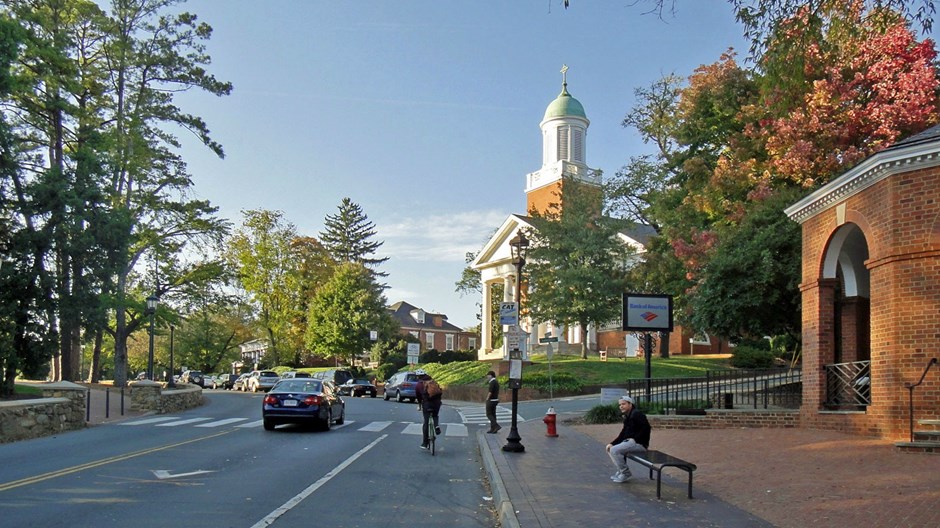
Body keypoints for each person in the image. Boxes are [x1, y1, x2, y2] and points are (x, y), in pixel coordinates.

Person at [605, 395, 651, 483]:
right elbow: (623, 433)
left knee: (615, 450)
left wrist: (635, 439)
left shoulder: (637, 414)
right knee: (610, 448)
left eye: (623, 404)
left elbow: (646, 429)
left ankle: (625, 473)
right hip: (630, 442)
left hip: (639, 444)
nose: (621, 406)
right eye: (620, 405)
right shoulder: (627, 416)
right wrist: (612, 443)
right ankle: (620, 470)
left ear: (630, 404)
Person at [414, 369, 442, 450]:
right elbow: (439, 391)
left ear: (418, 377)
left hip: (427, 404)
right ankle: (436, 426)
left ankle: (425, 443)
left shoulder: (419, 385)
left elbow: (418, 397)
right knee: (435, 415)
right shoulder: (433, 381)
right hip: (436, 402)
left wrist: (419, 405)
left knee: (426, 422)